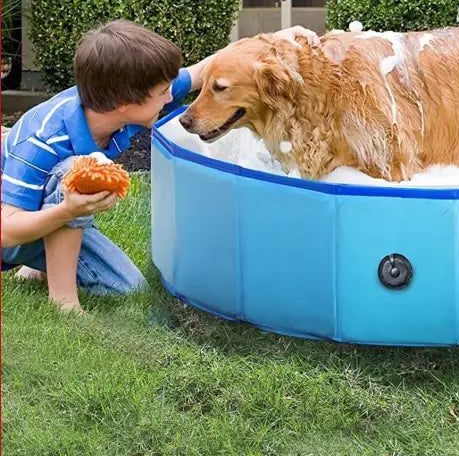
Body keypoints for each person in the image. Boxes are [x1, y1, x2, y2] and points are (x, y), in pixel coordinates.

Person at [1, 19, 316, 312]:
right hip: (12, 234)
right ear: (127, 104)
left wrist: (276, 41)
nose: (171, 98)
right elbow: (6, 231)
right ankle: (63, 299)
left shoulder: (121, 102)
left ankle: (40, 259)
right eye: (163, 92)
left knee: (126, 289)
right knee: (73, 169)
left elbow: (206, 69)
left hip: (47, 215)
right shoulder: (42, 139)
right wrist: (67, 212)